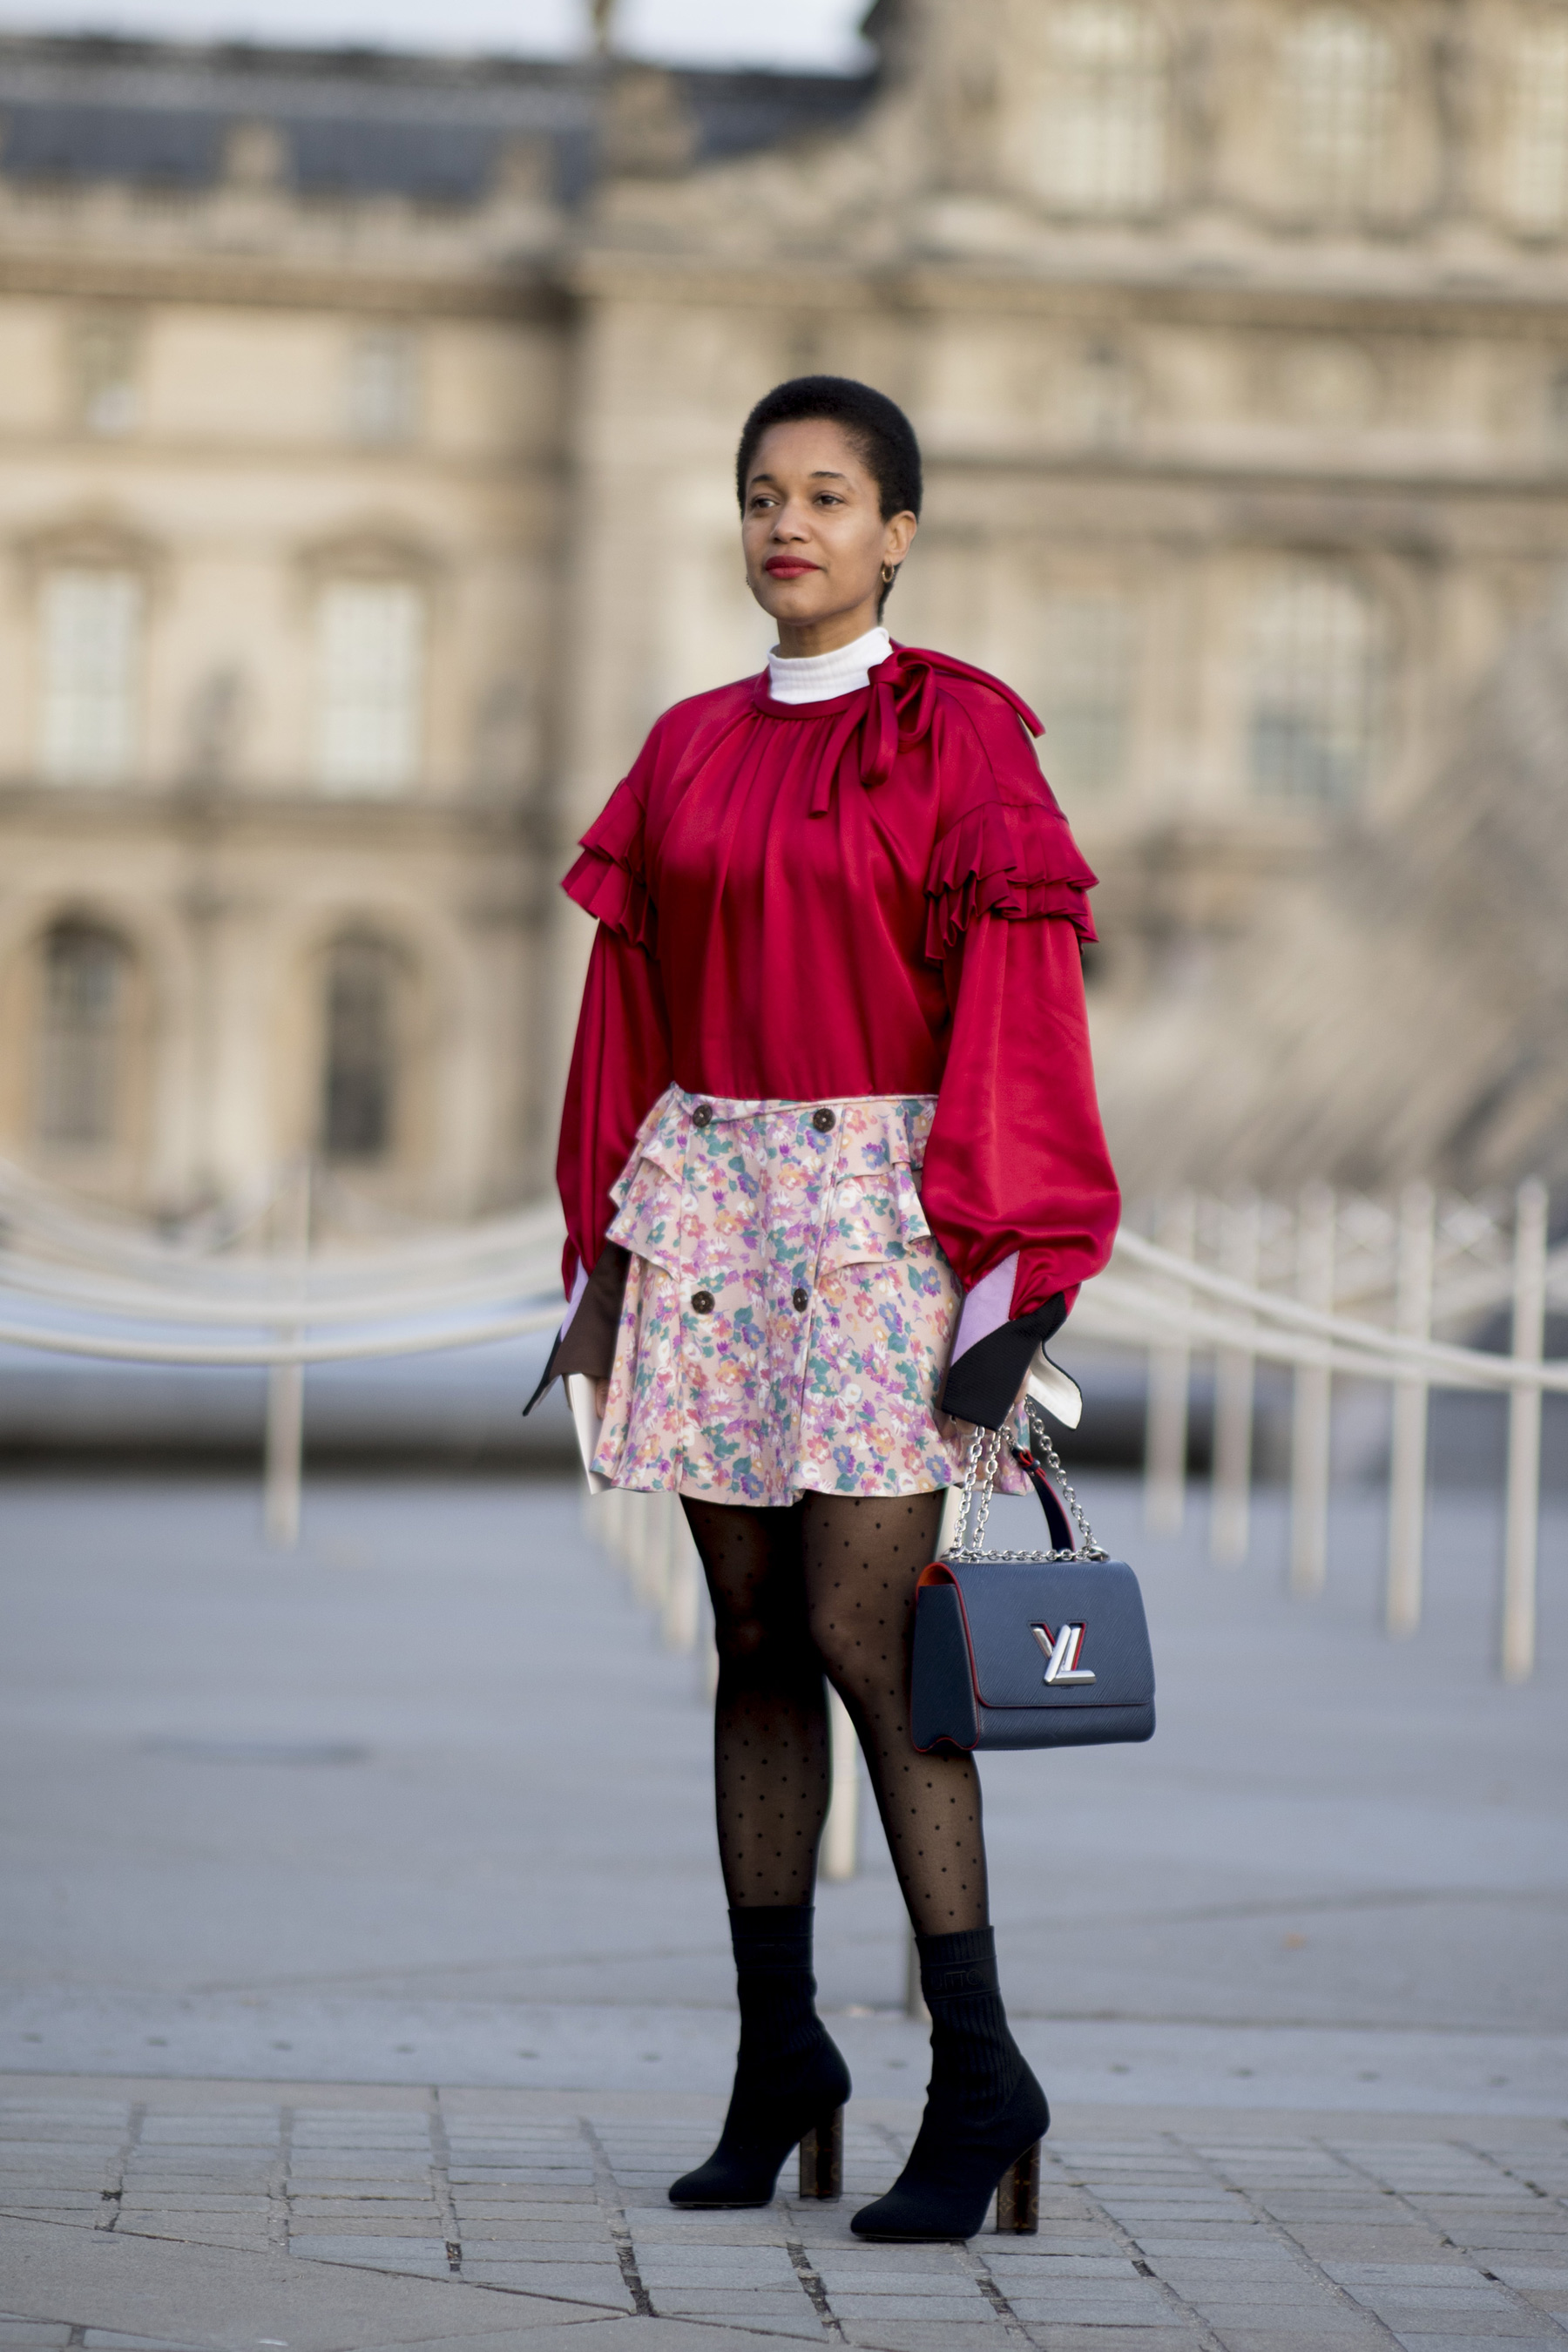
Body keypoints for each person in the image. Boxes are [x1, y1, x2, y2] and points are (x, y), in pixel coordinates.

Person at [543, 375, 1119, 2240]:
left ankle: (979, 2068)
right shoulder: (689, 747)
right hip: (708, 1196)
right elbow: (623, 1012)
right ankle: (780, 2052)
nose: (789, 524)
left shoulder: (958, 737)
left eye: (829, 496)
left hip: (887, 1218)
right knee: (751, 1636)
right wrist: (601, 1250)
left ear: (898, 533)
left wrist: (1014, 1269)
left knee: (876, 1634)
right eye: (763, 494)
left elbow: (1021, 1012)